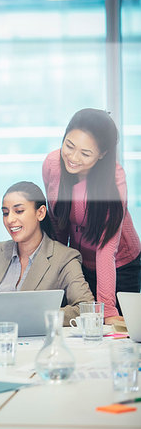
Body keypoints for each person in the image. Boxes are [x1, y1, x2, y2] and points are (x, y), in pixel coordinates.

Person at [42, 108, 141, 325]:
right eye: (69, 145)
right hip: (79, 263)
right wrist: (58, 273)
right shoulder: (52, 164)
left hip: (119, 266)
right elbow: (59, 226)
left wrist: (107, 309)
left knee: (118, 334)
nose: (73, 158)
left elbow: (107, 248)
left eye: (85, 153)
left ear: (102, 154)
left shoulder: (114, 180)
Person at [0, 181, 94, 326]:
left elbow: (87, 309)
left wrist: (40, 315)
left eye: (19, 211)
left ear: (40, 213)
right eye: (5, 213)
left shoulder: (64, 257)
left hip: (37, 345)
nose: (10, 220)